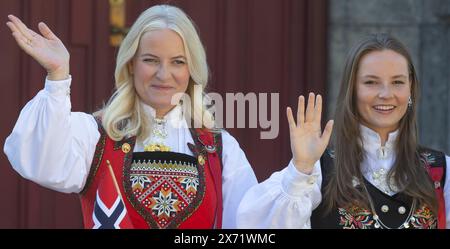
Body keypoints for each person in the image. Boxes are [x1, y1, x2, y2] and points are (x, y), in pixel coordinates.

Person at [3, 5, 267, 229]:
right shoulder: (96, 135)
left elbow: (251, 224)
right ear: (131, 64)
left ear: (192, 70)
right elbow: (41, 160)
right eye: (151, 60)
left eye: (178, 61)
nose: (164, 75)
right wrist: (58, 76)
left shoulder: (220, 148)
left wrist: (301, 174)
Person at [237, 33, 450, 229]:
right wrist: (300, 169)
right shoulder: (317, 172)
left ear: (410, 89)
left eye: (397, 82)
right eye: (371, 82)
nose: (386, 94)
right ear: (352, 90)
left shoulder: (442, 171)